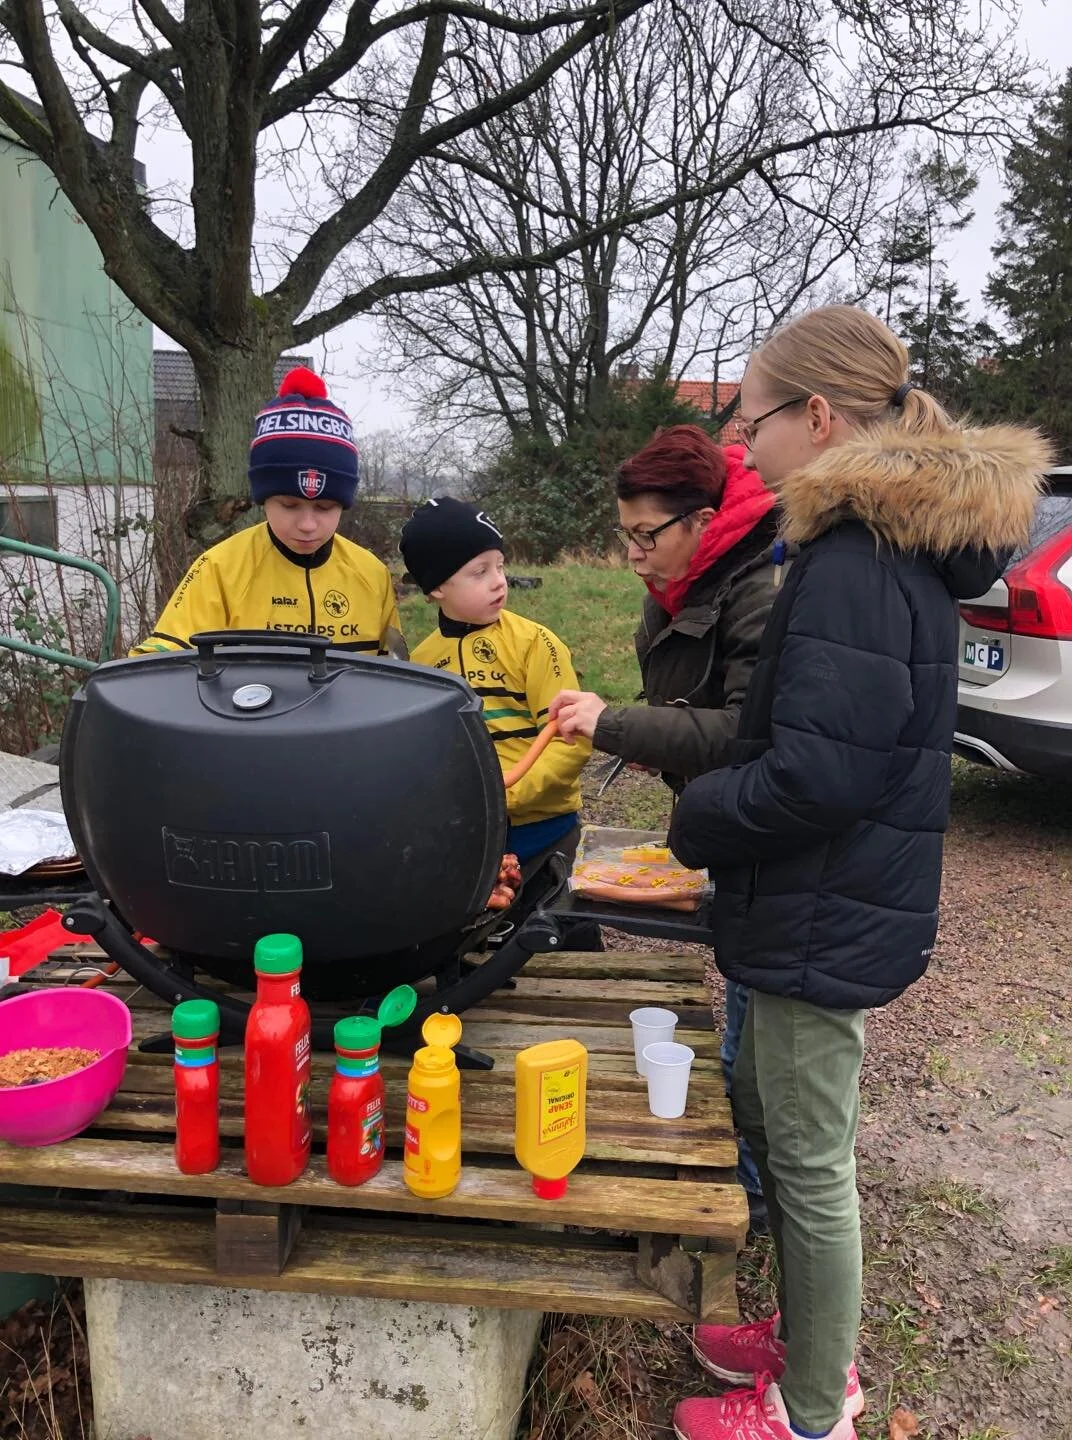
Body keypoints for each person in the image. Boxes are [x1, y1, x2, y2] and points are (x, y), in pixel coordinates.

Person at [667, 305, 1049, 1440]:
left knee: (808, 1156)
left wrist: (700, 811)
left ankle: (806, 1406)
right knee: (782, 1128)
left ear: (817, 416)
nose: (742, 441)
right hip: (826, 898)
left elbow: (815, 780)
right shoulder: (889, 547)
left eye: (753, 415)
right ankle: (803, 1344)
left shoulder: (850, 561)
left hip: (818, 906)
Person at [549, 424, 780, 1230]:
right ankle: (743, 1172)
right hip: (725, 818)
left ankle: (748, 1191)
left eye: (647, 535)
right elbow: (693, 706)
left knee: (754, 1016)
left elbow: (748, 730)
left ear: (704, 519)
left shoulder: (761, 584)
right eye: (625, 535)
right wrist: (652, 741)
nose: (633, 555)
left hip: (764, 832)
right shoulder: (686, 584)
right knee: (741, 1000)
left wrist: (619, 724)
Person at [131, 367, 403, 658]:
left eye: (325, 507)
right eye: (289, 505)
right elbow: (159, 659)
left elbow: (397, 675)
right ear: (263, 498)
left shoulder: (372, 575)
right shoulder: (219, 569)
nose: (308, 524)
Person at [399, 497, 590, 864]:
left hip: (546, 829)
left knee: (554, 918)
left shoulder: (535, 642)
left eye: (500, 566)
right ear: (437, 587)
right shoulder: (423, 661)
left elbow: (572, 739)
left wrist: (509, 794)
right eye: (479, 571)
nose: (498, 582)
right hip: (469, 833)